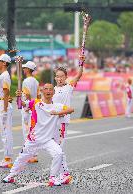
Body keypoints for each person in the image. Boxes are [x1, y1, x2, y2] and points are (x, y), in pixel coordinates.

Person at [3, 83, 74, 186]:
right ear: (42, 91)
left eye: (50, 89)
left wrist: (57, 113)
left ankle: (53, 178)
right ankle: (11, 176)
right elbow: (21, 104)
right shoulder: (35, 103)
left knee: (58, 153)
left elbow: (71, 109)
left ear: (53, 92)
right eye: (46, 89)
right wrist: (18, 97)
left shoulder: (57, 106)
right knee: (22, 158)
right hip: (33, 139)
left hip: (48, 140)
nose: (48, 91)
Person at [52, 56, 84, 184]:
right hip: (53, 123)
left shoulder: (68, 87)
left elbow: (79, 74)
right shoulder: (53, 90)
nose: (59, 78)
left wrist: (81, 62)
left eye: (61, 76)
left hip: (62, 122)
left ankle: (64, 174)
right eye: (57, 76)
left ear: (65, 77)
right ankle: (64, 174)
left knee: (58, 149)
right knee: (57, 149)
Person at [15, 61, 40, 163]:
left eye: (25, 68)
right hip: (35, 108)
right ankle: (34, 154)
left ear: (28, 69)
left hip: (27, 109)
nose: (23, 69)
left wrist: (28, 106)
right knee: (33, 131)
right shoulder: (36, 81)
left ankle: (30, 154)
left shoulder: (26, 81)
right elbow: (38, 96)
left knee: (27, 131)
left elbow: (28, 95)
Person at [0, 54, 14, 168]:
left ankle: (7, 159)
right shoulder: (4, 75)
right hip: (2, 104)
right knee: (6, 133)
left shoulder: (5, 75)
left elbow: (6, 93)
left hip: (3, 105)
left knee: (5, 133)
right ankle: (7, 158)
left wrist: (5, 110)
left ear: (4, 63)